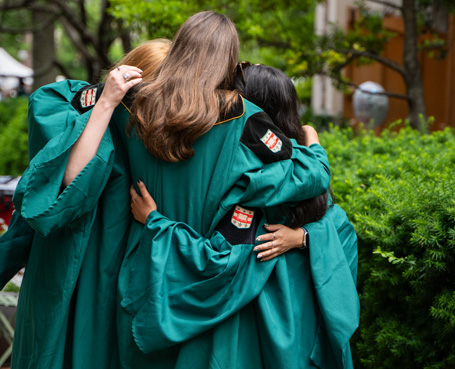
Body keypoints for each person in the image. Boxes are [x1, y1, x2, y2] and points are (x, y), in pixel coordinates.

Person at [19, 11, 330, 369]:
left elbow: (54, 106)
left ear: (179, 47)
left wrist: (107, 96)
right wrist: (312, 144)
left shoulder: (130, 104)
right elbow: (311, 175)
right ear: (230, 62)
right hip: (202, 277)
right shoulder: (246, 119)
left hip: (140, 265)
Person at [0, 38, 172, 369]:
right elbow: (68, 183)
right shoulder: (77, 106)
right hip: (66, 262)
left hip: (115, 271)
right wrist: (105, 104)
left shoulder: (161, 133)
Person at [127, 63, 359, 368]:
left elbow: (213, 261)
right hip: (299, 319)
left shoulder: (252, 179)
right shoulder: (304, 167)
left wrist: (155, 221)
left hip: (255, 315)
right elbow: (342, 231)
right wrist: (306, 236)